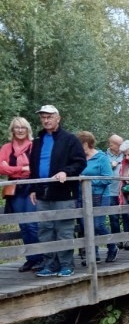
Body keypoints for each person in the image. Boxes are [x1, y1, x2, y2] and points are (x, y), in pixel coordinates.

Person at [29, 105, 87, 278]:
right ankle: (50, 264)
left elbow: (80, 162)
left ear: (58, 118)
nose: (46, 120)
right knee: (45, 229)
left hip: (63, 192)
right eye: (43, 117)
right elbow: (34, 166)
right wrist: (33, 187)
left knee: (64, 230)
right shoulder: (38, 141)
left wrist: (66, 171)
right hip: (42, 192)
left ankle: (66, 265)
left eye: (49, 117)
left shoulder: (70, 139)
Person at [0, 117, 44, 271]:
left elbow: (34, 168)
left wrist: (11, 168)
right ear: (12, 130)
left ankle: (41, 258)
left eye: (23, 127)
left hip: (31, 186)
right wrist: (21, 169)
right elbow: (1, 168)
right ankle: (31, 259)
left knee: (32, 224)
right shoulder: (6, 147)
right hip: (14, 188)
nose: (19, 130)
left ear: (28, 130)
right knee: (23, 225)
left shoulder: (34, 146)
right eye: (17, 127)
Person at [77, 131, 117, 263]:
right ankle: (93, 255)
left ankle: (112, 247)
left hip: (100, 195)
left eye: (80, 144)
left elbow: (108, 178)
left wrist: (88, 181)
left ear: (87, 144)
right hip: (82, 196)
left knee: (98, 225)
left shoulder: (101, 158)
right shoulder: (79, 158)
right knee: (85, 226)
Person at [105, 134, 124, 241]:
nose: (121, 147)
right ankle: (117, 240)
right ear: (112, 145)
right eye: (119, 145)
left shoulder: (126, 154)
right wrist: (110, 166)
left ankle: (127, 240)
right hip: (111, 192)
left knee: (127, 216)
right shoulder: (103, 156)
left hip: (124, 192)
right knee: (114, 217)